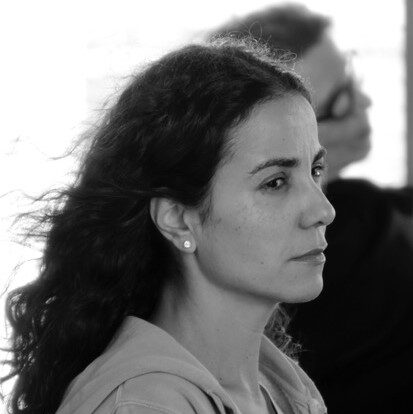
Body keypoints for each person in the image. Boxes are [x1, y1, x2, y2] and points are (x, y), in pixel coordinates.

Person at [2, 38, 335, 414]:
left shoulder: (284, 387)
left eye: (315, 170)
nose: (323, 210)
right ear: (177, 220)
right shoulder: (141, 406)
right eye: (275, 182)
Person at [209, 5, 413, 414]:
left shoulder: (359, 206)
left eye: (353, 80)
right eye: (340, 100)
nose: (364, 102)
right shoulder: (298, 264)